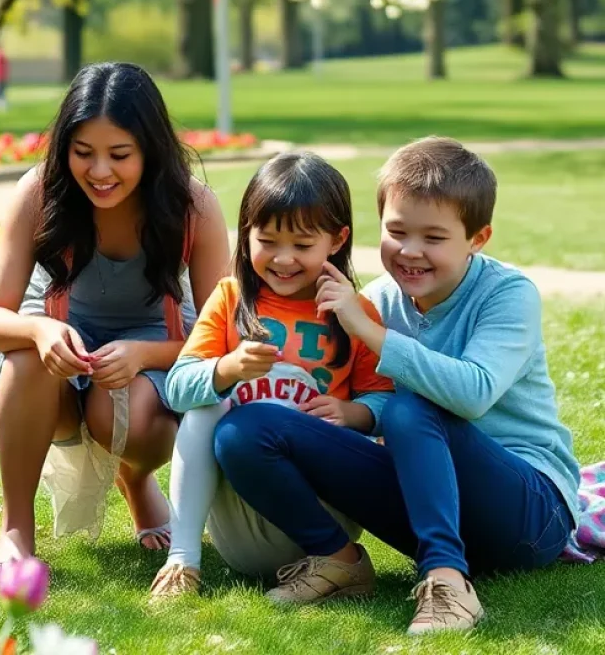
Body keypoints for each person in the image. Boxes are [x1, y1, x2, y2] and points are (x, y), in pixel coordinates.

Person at [213, 137, 580, 635]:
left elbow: (473, 394)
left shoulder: (507, 295)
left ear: (478, 237)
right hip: (425, 502)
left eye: (434, 237)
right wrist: (357, 413)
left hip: (527, 515)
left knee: (413, 409)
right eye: (397, 231)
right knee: (246, 429)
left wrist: (370, 333)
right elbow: (374, 401)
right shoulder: (379, 299)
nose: (410, 251)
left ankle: (447, 581)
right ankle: (338, 559)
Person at [0, 62, 231, 575]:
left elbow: (222, 337)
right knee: (26, 362)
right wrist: (40, 329)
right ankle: (15, 530)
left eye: (119, 155)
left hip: (157, 349)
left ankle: (136, 480)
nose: (99, 172)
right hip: (58, 347)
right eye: (83, 153)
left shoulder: (193, 208)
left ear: (150, 151)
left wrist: (145, 355)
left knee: (130, 412)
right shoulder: (40, 192)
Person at [151, 152, 393, 600]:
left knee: (250, 426)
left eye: (302, 245)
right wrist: (226, 369)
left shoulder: (355, 314)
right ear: (245, 234)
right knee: (208, 407)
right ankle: (182, 560)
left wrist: (352, 412)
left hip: (322, 515)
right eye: (268, 241)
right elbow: (178, 389)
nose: (284, 259)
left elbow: (386, 403)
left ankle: (336, 563)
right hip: (242, 521)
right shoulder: (231, 298)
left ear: (337, 240)